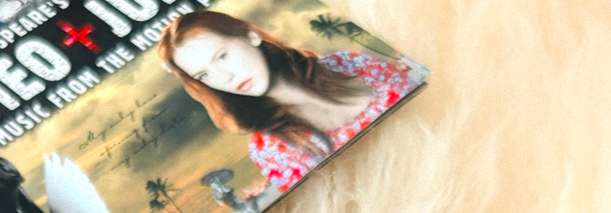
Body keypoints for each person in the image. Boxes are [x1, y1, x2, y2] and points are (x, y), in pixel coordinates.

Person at [157, 11, 421, 194]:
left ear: (250, 35)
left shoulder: (346, 63)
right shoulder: (271, 148)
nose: (224, 77)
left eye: (222, 57)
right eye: (204, 75)